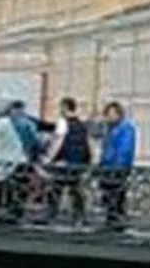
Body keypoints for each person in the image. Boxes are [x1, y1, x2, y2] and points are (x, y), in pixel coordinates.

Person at [40, 97, 92, 223]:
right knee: (75, 190)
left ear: (65, 107)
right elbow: (86, 145)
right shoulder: (81, 125)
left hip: (63, 162)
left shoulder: (63, 123)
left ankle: (50, 215)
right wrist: (86, 162)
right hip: (77, 163)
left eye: (61, 107)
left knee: (55, 189)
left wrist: (49, 159)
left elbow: (57, 143)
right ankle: (79, 217)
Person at [0, 99, 41, 224]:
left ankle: (11, 212)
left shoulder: (16, 123)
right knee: (11, 187)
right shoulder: (17, 123)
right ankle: (11, 212)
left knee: (14, 187)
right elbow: (36, 143)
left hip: (15, 161)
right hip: (13, 160)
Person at [95, 101, 136, 232]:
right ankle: (111, 220)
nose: (108, 117)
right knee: (108, 195)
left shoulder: (126, 128)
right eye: (107, 114)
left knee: (117, 195)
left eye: (111, 114)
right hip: (107, 167)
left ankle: (117, 221)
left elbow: (125, 149)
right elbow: (105, 148)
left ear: (119, 114)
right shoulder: (109, 129)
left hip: (117, 168)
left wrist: (119, 166)